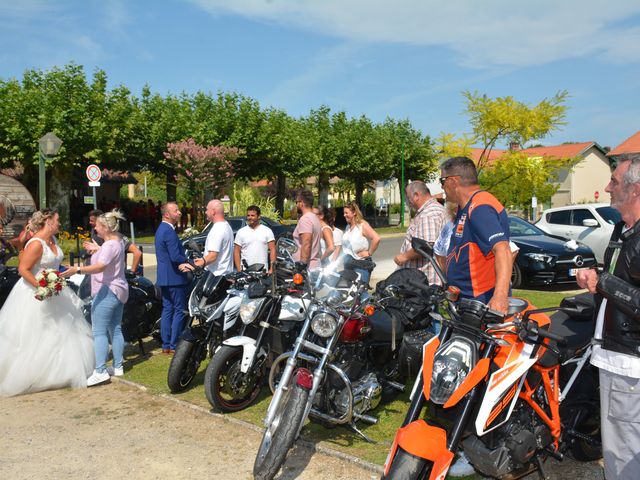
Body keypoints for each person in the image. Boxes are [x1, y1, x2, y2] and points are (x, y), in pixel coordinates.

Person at [576, 157, 640, 480]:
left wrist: (602, 282)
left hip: (630, 365)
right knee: (616, 445)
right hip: (612, 356)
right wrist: (596, 279)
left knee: (625, 450)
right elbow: (619, 283)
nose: (607, 188)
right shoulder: (621, 231)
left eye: (614, 181)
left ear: (635, 190)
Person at [0, 209, 94, 396]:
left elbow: (53, 265)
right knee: (35, 332)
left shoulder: (53, 241)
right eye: (57, 220)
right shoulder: (36, 244)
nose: (60, 223)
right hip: (35, 292)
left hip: (56, 289)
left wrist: (65, 273)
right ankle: (32, 375)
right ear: (48, 221)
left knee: (63, 329)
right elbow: (23, 269)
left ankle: (61, 371)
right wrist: (41, 287)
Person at [64, 210, 129, 386]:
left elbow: (100, 266)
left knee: (99, 332)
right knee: (115, 328)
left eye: (99, 226)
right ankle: (118, 366)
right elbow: (111, 255)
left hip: (107, 290)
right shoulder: (118, 241)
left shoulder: (109, 245)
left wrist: (77, 269)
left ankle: (100, 371)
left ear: (106, 228)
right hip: (119, 290)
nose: (96, 229)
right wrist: (97, 249)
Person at [440, 156, 511, 314]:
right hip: (465, 300)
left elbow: (503, 250)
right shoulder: (465, 207)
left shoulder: (480, 207)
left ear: (452, 181)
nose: (442, 187)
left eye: (442, 181)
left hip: (481, 302)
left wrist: (500, 296)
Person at [394, 181, 446, 285]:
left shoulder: (429, 214)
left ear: (416, 195)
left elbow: (426, 245)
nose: (408, 202)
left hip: (425, 281)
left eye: (409, 198)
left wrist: (404, 256)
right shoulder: (433, 209)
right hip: (421, 279)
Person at [154, 202, 190, 354]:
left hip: (164, 276)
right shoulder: (168, 231)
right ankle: (174, 344)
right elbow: (176, 257)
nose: (179, 212)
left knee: (168, 309)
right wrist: (189, 261)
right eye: (176, 211)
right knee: (179, 310)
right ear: (167, 214)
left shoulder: (161, 229)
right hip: (175, 277)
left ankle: (166, 344)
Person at [86, 209, 143, 275]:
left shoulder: (119, 238)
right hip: (96, 276)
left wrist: (132, 271)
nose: (90, 223)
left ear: (102, 223)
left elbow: (137, 252)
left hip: (107, 278)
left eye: (92, 221)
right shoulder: (95, 237)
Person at [191, 199, 234, 276]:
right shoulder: (226, 226)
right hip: (225, 275)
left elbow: (212, 256)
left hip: (215, 277)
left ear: (213, 211)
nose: (205, 212)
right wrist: (202, 259)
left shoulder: (217, 229)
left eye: (207, 209)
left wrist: (193, 266)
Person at [342, 202, 380, 287]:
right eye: (344, 213)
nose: (344, 215)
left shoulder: (362, 225)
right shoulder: (348, 227)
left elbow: (376, 238)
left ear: (354, 212)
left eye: (346, 213)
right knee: (350, 293)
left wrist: (369, 253)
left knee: (360, 292)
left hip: (360, 264)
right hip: (348, 264)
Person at [233, 205, 276, 273]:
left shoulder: (267, 231)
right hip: (245, 271)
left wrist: (272, 269)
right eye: (248, 215)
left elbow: (273, 249)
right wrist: (239, 270)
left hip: (263, 272)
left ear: (258, 216)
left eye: (252, 215)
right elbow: (236, 252)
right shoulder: (241, 232)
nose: (250, 217)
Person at [292, 190, 322, 270]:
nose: (296, 205)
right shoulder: (314, 218)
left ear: (302, 202)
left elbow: (306, 244)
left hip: (307, 268)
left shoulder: (305, 219)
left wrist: (302, 266)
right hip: (314, 265)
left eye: (296, 202)